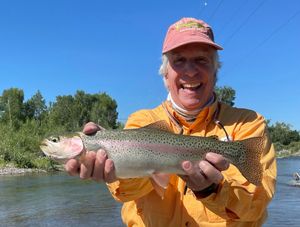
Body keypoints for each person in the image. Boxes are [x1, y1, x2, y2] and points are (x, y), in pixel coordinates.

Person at [65, 17, 277, 226]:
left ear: (215, 71)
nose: (190, 71)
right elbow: (129, 192)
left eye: (201, 60)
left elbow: (258, 203)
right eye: (179, 61)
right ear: (165, 74)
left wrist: (214, 190)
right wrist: (113, 153)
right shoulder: (142, 121)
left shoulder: (248, 123)